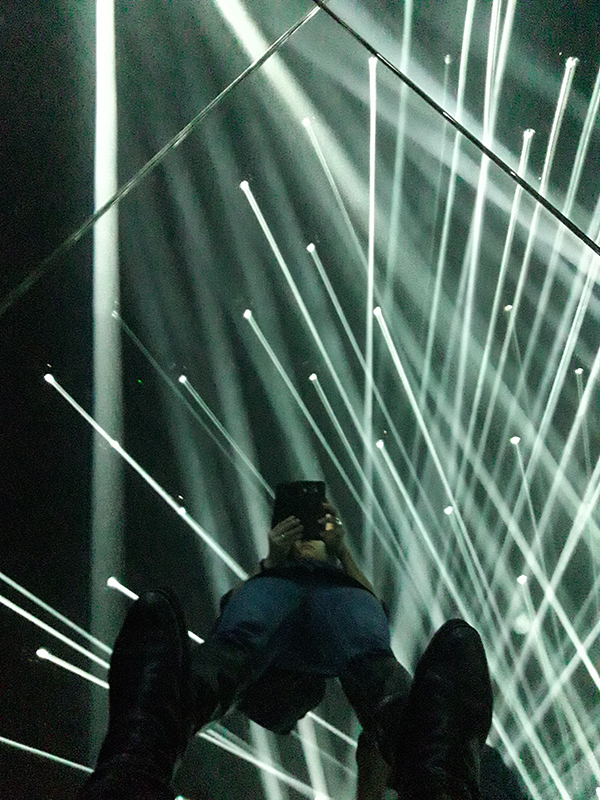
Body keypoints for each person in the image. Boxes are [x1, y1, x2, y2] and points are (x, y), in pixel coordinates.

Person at [77, 500, 493, 800]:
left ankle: (137, 752)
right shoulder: (274, 574)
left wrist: (341, 549)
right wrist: (273, 560)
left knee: (368, 652)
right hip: (280, 590)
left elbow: (373, 611)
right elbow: (234, 609)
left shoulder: (339, 576)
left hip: (331, 597)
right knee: (242, 638)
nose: (306, 539)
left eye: (313, 536)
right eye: (299, 535)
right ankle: (435, 770)